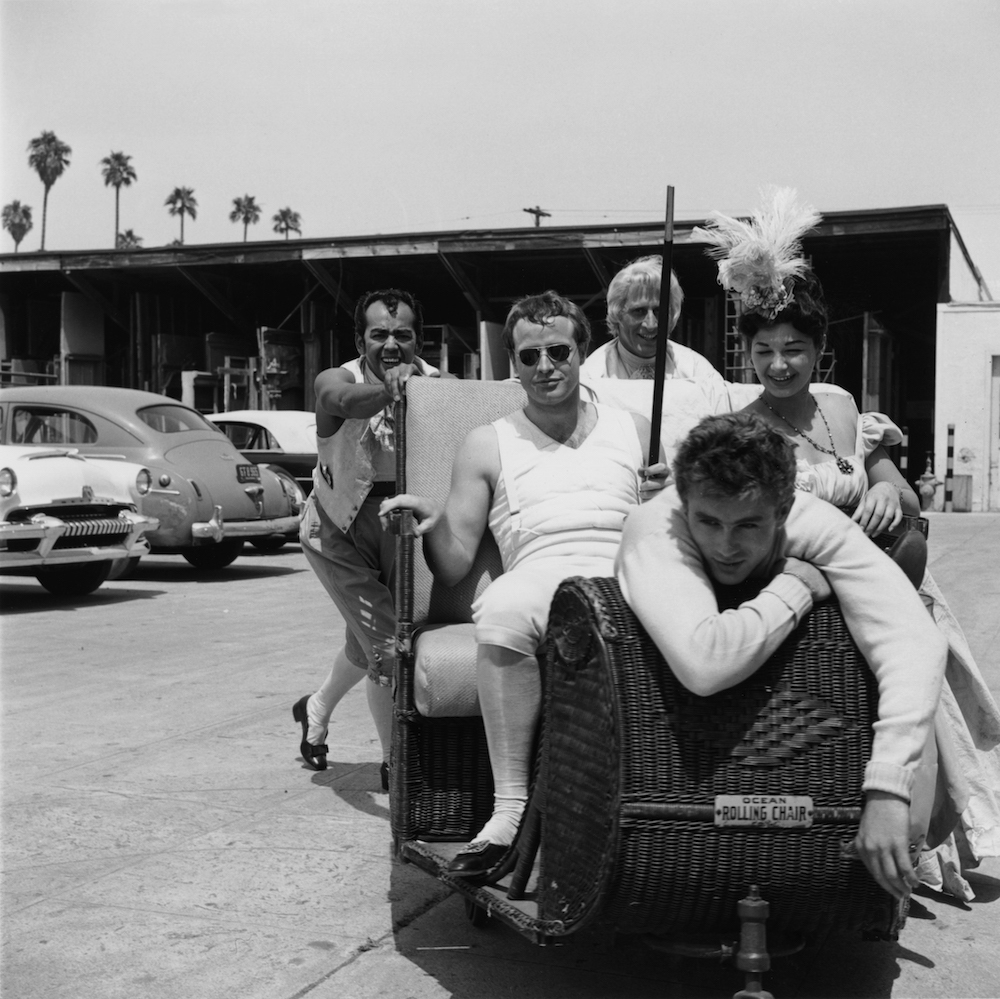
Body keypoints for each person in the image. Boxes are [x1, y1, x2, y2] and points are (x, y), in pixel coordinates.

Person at [696, 187, 1000, 899]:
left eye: (794, 349)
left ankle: (922, 845)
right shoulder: (739, 428)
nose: (779, 366)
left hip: (886, 586)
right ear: (745, 354)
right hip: (807, 600)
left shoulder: (839, 406)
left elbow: (882, 470)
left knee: (914, 677)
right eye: (764, 351)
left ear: (819, 350)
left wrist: (891, 486)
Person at [380, 290, 666, 877]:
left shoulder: (635, 428)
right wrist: (430, 524)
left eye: (558, 351)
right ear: (511, 362)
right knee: (503, 606)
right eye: (528, 356)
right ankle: (507, 812)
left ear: (583, 351)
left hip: (624, 571)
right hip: (539, 577)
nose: (544, 368)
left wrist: (669, 500)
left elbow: (672, 525)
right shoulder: (489, 441)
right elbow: (457, 562)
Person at [616, 412, 950, 902]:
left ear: (785, 507)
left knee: (916, 804)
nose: (725, 545)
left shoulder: (810, 518)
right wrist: (797, 586)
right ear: (684, 504)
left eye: (749, 524)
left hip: (788, 729)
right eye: (707, 521)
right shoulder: (655, 526)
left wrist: (886, 790)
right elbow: (706, 664)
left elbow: (914, 639)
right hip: (668, 734)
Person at [293, 288, 439, 790]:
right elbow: (342, 402)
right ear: (361, 340)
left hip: (399, 530)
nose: (392, 344)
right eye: (379, 334)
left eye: (403, 333)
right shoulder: (339, 380)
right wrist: (390, 392)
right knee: (389, 651)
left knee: (367, 644)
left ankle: (315, 709)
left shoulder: (437, 385)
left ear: (418, 338)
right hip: (336, 534)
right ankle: (395, 764)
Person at [581, 254, 723, 383]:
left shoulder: (695, 370)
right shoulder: (592, 376)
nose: (651, 324)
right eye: (639, 311)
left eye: (659, 311)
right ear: (617, 314)